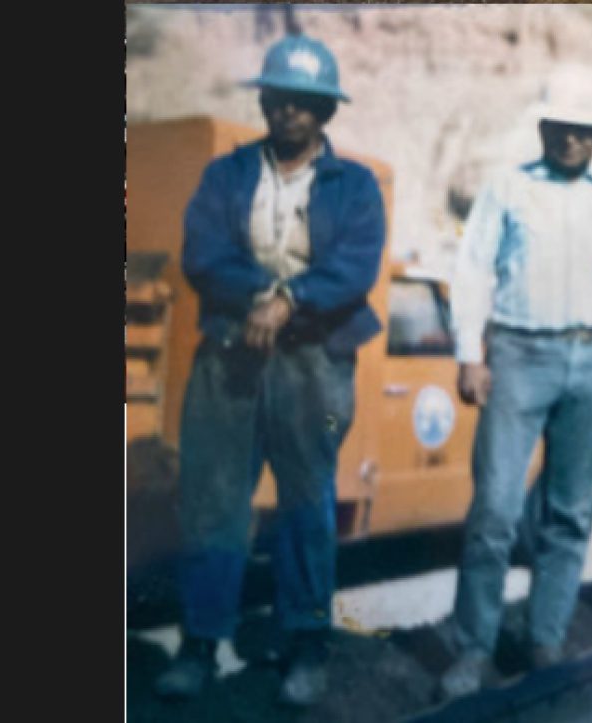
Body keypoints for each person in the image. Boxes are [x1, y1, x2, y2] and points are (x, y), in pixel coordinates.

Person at [152, 35, 386, 707]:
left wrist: (290, 302)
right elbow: (203, 253)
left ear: (325, 112)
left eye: (304, 102)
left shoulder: (356, 186)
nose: (288, 112)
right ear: (264, 100)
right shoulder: (226, 176)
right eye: (279, 98)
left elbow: (354, 267)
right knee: (214, 502)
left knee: (306, 505)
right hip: (231, 352)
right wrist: (260, 293)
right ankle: (199, 647)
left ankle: (304, 648)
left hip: (313, 363)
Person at [438, 63, 592, 699]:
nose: (572, 140)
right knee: (495, 510)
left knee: (571, 512)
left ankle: (546, 640)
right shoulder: (507, 189)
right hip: (517, 355)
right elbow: (473, 270)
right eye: (562, 127)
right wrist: (469, 353)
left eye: (585, 130)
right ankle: (471, 649)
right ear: (543, 126)